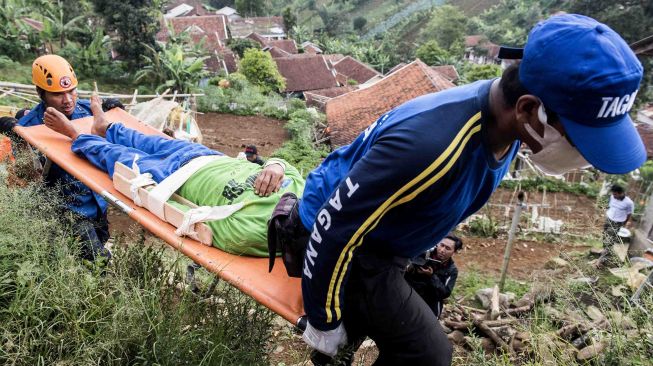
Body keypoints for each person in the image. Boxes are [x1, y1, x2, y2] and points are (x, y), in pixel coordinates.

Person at [292, 14, 645, 365]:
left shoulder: (505, 126)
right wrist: (324, 320)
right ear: (527, 109)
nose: (579, 154)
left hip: (385, 237)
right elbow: (335, 225)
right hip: (337, 242)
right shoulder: (429, 145)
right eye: (577, 138)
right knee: (427, 354)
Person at [41, 94, 305, 257]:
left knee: (119, 158)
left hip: (175, 178)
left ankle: (76, 135)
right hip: (207, 157)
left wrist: (154, 196)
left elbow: (196, 223)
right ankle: (105, 126)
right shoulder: (305, 193)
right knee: (147, 140)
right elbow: (290, 168)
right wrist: (277, 165)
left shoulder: (254, 234)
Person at [12, 55, 122, 264]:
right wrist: (17, 139)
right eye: (58, 94)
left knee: (95, 251)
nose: (68, 100)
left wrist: (114, 114)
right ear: (40, 93)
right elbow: (26, 175)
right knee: (99, 262)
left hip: (97, 201)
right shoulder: (30, 128)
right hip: (70, 210)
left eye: (71, 91)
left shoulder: (89, 111)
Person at [405, 235, 462, 319]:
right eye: (441, 245)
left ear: (454, 252)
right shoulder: (422, 252)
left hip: (430, 302)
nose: (442, 250)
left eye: (447, 248)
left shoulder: (451, 270)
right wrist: (410, 268)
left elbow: (445, 293)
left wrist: (431, 276)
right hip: (409, 294)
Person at [598, 184, 634, 266]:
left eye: (615, 194)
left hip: (617, 222)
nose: (613, 196)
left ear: (621, 193)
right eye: (613, 194)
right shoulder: (612, 197)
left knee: (610, 239)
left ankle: (603, 258)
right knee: (604, 235)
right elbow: (611, 207)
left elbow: (629, 214)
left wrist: (624, 223)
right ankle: (606, 251)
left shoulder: (629, 203)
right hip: (609, 219)